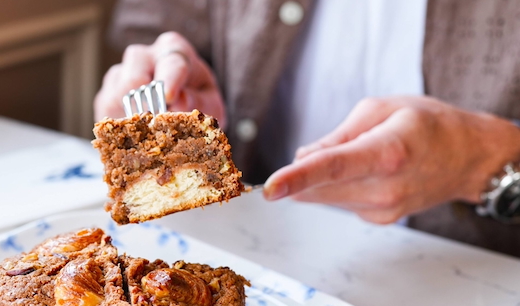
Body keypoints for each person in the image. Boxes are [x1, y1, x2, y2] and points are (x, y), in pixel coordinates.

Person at [94, 0, 520, 257]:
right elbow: (155, 27)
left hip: (483, 290)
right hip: (255, 263)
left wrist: (486, 159)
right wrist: (169, 89)